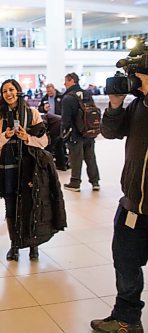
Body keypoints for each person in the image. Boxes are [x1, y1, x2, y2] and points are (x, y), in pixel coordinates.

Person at [90, 71, 148, 333]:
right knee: (125, 263)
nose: (133, 82)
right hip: (132, 203)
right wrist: (115, 104)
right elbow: (110, 132)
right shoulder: (138, 105)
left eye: (138, 77)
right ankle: (127, 318)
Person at [0, 79, 66, 261]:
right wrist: (5, 136)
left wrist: (27, 137)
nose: (8, 93)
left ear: (18, 91)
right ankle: (14, 245)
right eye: (4, 91)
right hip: (7, 167)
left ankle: (34, 245)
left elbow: (44, 141)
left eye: (11, 89)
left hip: (30, 166)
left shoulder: (32, 113)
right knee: (11, 206)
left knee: (32, 203)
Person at [61, 72, 100, 192]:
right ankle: (95, 182)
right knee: (90, 157)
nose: (64, 83)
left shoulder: (68, 97)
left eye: (66, 81)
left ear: (72, 80)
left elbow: (66, 119)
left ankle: (75, 183)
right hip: (89, 131)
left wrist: (63, 133)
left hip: (75, 133)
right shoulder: (87, 93)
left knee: (76, 158)